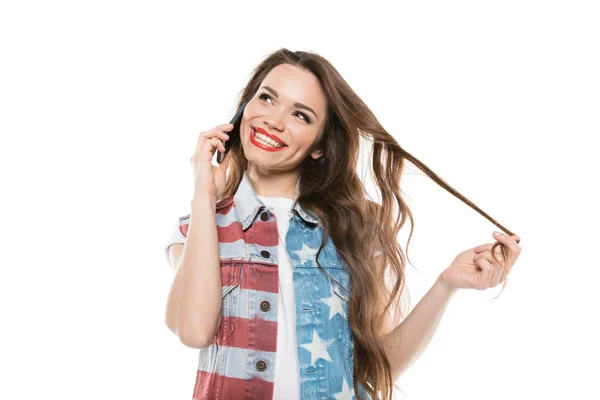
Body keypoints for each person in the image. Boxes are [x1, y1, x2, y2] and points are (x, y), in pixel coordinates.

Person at [164, 48, 522, 400]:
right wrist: (203, 192)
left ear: (319, 146)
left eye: (300, 115)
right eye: (267, 98)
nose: (274, 120)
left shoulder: (355, 229)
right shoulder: (196, 228)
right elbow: (193, 330)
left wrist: (446, 284)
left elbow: (374, 371)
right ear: (244, 110)